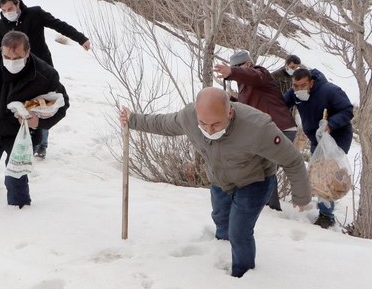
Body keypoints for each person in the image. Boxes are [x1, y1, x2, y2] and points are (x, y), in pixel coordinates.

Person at [120, 87, 310, 278]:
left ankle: (242, 275)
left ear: (230, 112)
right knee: (221, 217)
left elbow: (291, 159)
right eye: (203, 124)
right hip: (220, 178)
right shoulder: (189, 117)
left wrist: (301, 196)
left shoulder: (257, 127)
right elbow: (163, 124)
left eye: (216, 124)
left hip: (254, 181)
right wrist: (133, 119)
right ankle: (221, 250)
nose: (209, 130)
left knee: (239, 230)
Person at [0, 31, 69, 208]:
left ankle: (20, 217)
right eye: (6, 56)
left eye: (17, 57)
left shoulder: (45, 74)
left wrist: (39, 123)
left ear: (28, 52)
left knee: (16, 181)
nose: (11, 61)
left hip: (20, 136)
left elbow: (62, 104)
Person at [0, 0, 88, 159]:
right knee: (22, 107)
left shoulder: (35, 14)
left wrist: (81, 38)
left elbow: (59, 25)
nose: (8, 12)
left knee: (43, 106)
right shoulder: (0, 26)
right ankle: (23, 140)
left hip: (41, 73)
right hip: (17, 73)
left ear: (17, 4)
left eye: (10, 8)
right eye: (4, 10)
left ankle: (41, 144)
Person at [214, 50, 297, 211]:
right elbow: (248, 108)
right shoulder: (245, 86)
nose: (236, 70)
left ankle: (271, 207)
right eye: (234, 67)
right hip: (270, 130)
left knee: (267, 167)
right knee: (262, 167)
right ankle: (269, 206)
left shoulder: (260, 74)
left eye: (238, 66)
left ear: (248, 64)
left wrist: (232, 72)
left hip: (280, 128)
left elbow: (252, 76)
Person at [284, 68, 354, 229]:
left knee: (326, 174)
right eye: (296, 86)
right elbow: (280, 104)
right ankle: (323, 207)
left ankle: (326, 216)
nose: (299, 89)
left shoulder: (330, 91)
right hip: (316, 137)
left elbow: (347, 110)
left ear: (311, 82)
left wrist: (331, 124)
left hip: (336, 137)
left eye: (303, 85)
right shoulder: (294, 93)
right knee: (317, 172)